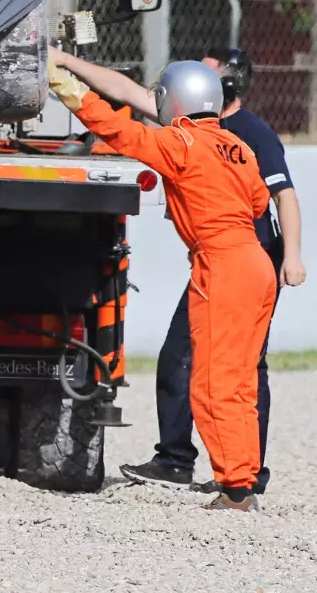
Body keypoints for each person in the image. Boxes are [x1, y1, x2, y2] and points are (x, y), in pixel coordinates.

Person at [52, 46, 306, 495]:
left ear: (178, 99)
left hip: (222, 265)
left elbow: (116, 128)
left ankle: (234, 489)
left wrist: (65, 86)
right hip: (258, 263)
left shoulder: (180, 142)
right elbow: (256, 203)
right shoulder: (238, 147)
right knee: (243, 377)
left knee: (210, 381)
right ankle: (245, 477)